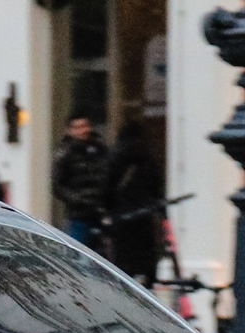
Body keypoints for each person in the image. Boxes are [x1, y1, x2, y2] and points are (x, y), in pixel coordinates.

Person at [102, 125, 164, 283]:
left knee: (123, 257)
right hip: (144, 214)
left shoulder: (115, 157)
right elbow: (157, 187)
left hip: (122, 214)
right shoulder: (148, 158)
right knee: (144, 255)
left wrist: (108, 209)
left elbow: (107, 187)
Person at [51, 114, 111, 249]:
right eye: (77, 127)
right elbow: (58, 185)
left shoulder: (100, 149)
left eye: (84, 126)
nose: (82, 130)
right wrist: (78, 200)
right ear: (70, 130)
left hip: (100, 211)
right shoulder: (65, 153)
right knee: (77, 250)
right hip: (78, 214)